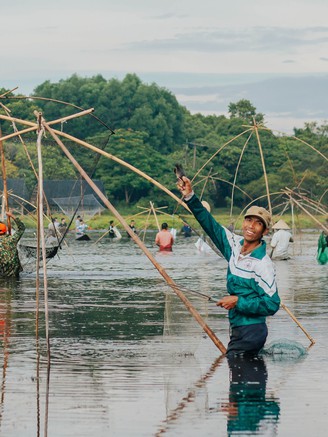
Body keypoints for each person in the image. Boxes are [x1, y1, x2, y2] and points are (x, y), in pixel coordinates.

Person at [177, 176, 280, 356]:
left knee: (241, 376)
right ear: (244, 222)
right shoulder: (233, 244)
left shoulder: (263, 264)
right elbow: (210, 225)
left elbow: (272, 304)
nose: (251, 226)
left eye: (258, 223)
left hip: (252, 331)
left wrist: (238, 301)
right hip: (238, 327)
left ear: (264, 231)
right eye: (249, 220)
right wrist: (190, 197)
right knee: (241, 379)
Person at [0, 211, 26, 277]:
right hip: (14, 271)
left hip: (2, 272)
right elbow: (22, 228)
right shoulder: (12, 239)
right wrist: (12, 215)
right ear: (5, 231)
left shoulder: (12, 239)